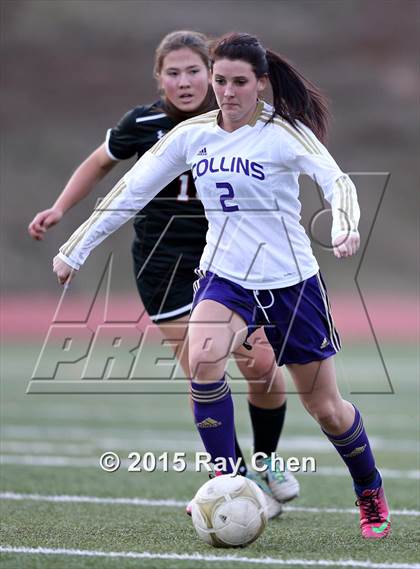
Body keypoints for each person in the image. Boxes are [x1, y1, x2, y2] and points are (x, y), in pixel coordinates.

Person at [51, 32, 391, 539]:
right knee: (205, 360)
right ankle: (227, 479)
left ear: (261, 84)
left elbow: (336, 180)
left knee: (325, 407)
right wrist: (75, 248)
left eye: (239, 83)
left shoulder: (284, 132)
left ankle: (368, 489)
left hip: (290, 283)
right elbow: (130, 189)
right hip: (223, 277)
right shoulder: (193, 135)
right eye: (221, 81)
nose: (227, 92)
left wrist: (344, 223)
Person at [29, 30, 299, 518]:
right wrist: (60, 207)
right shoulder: (144, 122)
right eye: (172, 73)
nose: (185, 81)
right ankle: (233, 480)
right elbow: (99, 163)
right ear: (159, 78)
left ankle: (266, 462)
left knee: (262, 367)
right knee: (202, 370)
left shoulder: (235, 119)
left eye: (195, 70)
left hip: (232, 261)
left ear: (212, 74)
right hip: (162, 266)